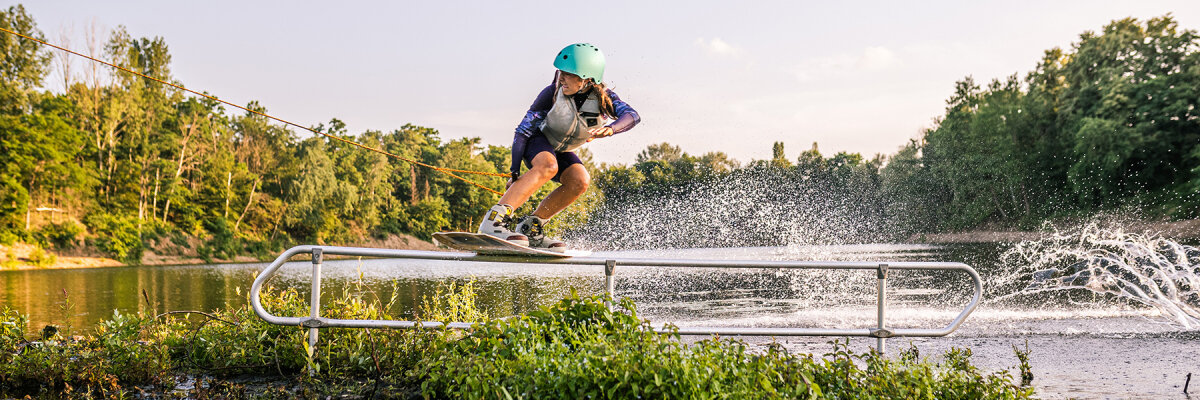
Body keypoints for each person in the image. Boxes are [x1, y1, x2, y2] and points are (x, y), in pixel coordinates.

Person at [478, 43, 640, 252]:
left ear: (587, 79)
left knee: (580, 180)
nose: (561, 77)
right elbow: (522, 132)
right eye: (560, 72)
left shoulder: (603, 98)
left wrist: (611, 129)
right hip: (536, 142)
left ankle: (531, 227)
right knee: (548, 166)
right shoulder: (551, 93)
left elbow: (632, 116)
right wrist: (515, 171)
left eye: (568, 74)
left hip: (560, 150)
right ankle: (494, 221)